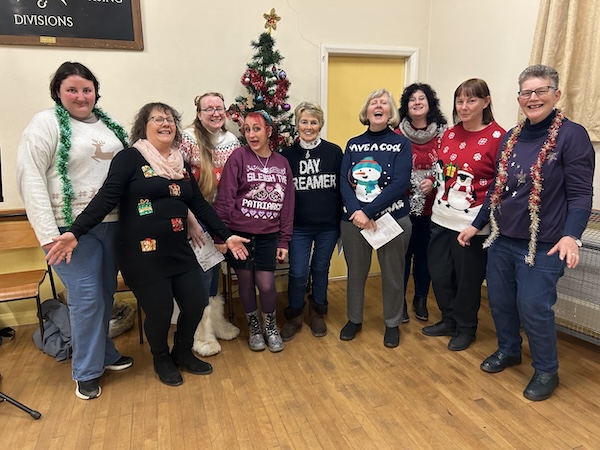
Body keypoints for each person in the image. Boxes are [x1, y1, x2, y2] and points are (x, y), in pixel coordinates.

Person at [45, 102, 249, 387]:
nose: (165, 123)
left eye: (170, 119)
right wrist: (76, 232)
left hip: (178, 250)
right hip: (141, 254)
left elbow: (199, 205)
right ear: (144, 126)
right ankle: (161, 356)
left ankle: (182, 351)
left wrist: (225, 235)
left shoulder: (179, 162)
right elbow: (106, 197)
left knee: (195, 301)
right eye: (158, 119)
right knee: (161, 310)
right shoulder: (129, 158)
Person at [458, 65, 594, 401]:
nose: (533, 98)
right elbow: (496, 190)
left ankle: (547, 370)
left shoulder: (572, 135)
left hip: (545, 243)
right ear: (519, 98)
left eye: (541, 91)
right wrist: (476, 224)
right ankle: (509, 350)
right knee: (501, 302)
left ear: (556, 94)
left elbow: (580, 193)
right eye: (526, 93)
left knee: (533, 306)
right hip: (503, 239)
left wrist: (571, 235)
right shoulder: (512, 137)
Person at [16, 61, 132, 400]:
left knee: (106, 294)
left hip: (111, 224)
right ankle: (85, 371)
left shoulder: (108, 126)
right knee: (86, 299)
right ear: (58, 92)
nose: (81, 96)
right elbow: (30, 178)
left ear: (95, 91)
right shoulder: (45, 123)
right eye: (72, 89)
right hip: (68, 230)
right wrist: (48, 234)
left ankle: (105, 354)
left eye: (87, 89)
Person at [422, 78, 505, 351]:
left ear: (485, 101)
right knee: (440, 274)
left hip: (471, 226)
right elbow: (443, 170)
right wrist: (432, 183)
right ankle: (448, 319)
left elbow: (498, 185)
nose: (464, 106)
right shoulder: (450, 133)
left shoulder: (498, 137)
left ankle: (466, 327)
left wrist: (479, 222)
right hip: (439, 218)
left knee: (467, 281)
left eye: (471, 100)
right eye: (460, 101)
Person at [213, 110, 295, 353]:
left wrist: (284, 240)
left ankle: (270, 326)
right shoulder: (238, 157)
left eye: (256, 128)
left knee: (267, 284)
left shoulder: (282, 163)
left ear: (269, 131)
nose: (251, 134)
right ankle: (254, 327)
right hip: (240, 236)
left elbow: (288, 204)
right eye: (246, 129)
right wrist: (221, 236)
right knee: (246, 283)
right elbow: (226, 198)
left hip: (269, 235)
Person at [339, 88, 413, 348]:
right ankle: (354, 319)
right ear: (367, 111)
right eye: (374, 102)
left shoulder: (402, 143)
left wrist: (369, 212)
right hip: (354, 221)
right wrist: (357, 213)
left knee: (393, 274)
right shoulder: (353, 143)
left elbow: (400, 182)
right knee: (356, 273)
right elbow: (344, 181)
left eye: (384, 103)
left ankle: (392, 323)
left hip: (392, 220)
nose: (379, 106)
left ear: (390, 112)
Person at [280, 102, 343, 340]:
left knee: (320, 269)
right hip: (298, 226)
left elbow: (343, 187)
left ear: (320, 125)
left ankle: (317, 311)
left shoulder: (334, 152)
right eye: (304, 122)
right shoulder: (286, 155)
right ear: (297, 124)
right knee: (297, 272)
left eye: (313, 122)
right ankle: (294, 315)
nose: (308, 126)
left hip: (328, 225)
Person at [179, 92, 241, 298]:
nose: (215, 113)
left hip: (221, 216)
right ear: (199, 114)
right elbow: (177, 181)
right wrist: (189, 220)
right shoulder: (187, 138)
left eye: (219, 109)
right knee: (202, 273)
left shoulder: (231, 141)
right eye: (209, 109)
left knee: (214, 271)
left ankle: (213, 320)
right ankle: (198, 325)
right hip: (195, 216)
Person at [396, 83, 447, 323]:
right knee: (402, 256)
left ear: (430, 104)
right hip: (401, 207)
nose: (417, 102)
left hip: (433, 208)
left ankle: (420, 299)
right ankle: (400, 303)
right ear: (406, 106)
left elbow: (450, 168)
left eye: (422, 98)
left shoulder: (445, 135)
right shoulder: (396, 135)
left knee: (426, 256)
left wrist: (434, 183)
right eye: (412, 99)